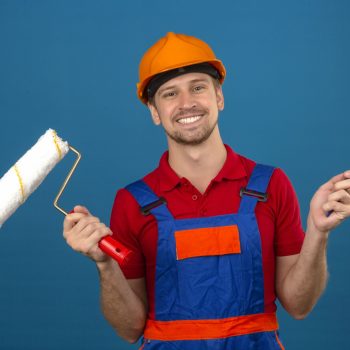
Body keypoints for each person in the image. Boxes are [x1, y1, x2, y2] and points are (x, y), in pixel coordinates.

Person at [63, 32, 350, 349]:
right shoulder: (133, 202)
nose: (186, 103)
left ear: (219, 97)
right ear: (155, 112)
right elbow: (130, 329)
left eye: (198, 87)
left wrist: (318, 232)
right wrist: (105, 265)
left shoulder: (270, 185)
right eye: (170, 94)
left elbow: (299, 305)